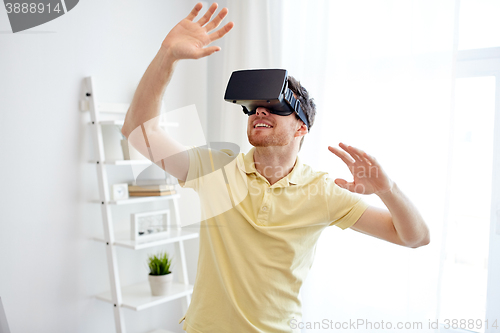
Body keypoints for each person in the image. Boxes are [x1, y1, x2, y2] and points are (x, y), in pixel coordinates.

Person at [121, 3, 430, 332]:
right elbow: (141, 132)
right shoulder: (215, 169)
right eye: (253, 108)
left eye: (274, 107)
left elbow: (414, 238)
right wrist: (167, 56)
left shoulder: (324, 191)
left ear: (301, 128)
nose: (259, 113)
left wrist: (388, 189)